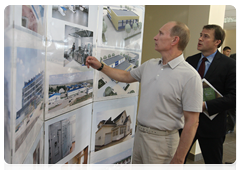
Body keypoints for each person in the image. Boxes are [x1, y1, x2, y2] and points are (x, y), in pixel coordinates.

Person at [86, 21, 203, 170]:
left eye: (161, 33)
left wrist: (179, 161)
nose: (155, 37)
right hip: (140, 135)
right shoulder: (150, 65)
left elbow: (192, 122)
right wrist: (101, 66)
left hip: (162, 142)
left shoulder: (190, 76)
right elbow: (126, 76)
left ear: (175, 40)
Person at [184, 24, 238, 170]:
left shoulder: (230, 65)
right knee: (177, 161)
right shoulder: (190, 61)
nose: (200, 39)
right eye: (200, 35)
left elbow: (234, 97)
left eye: (206, 36)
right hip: (186, 122)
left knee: (213, 165)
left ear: (217, 42)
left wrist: (205, 106)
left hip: (212, 126)